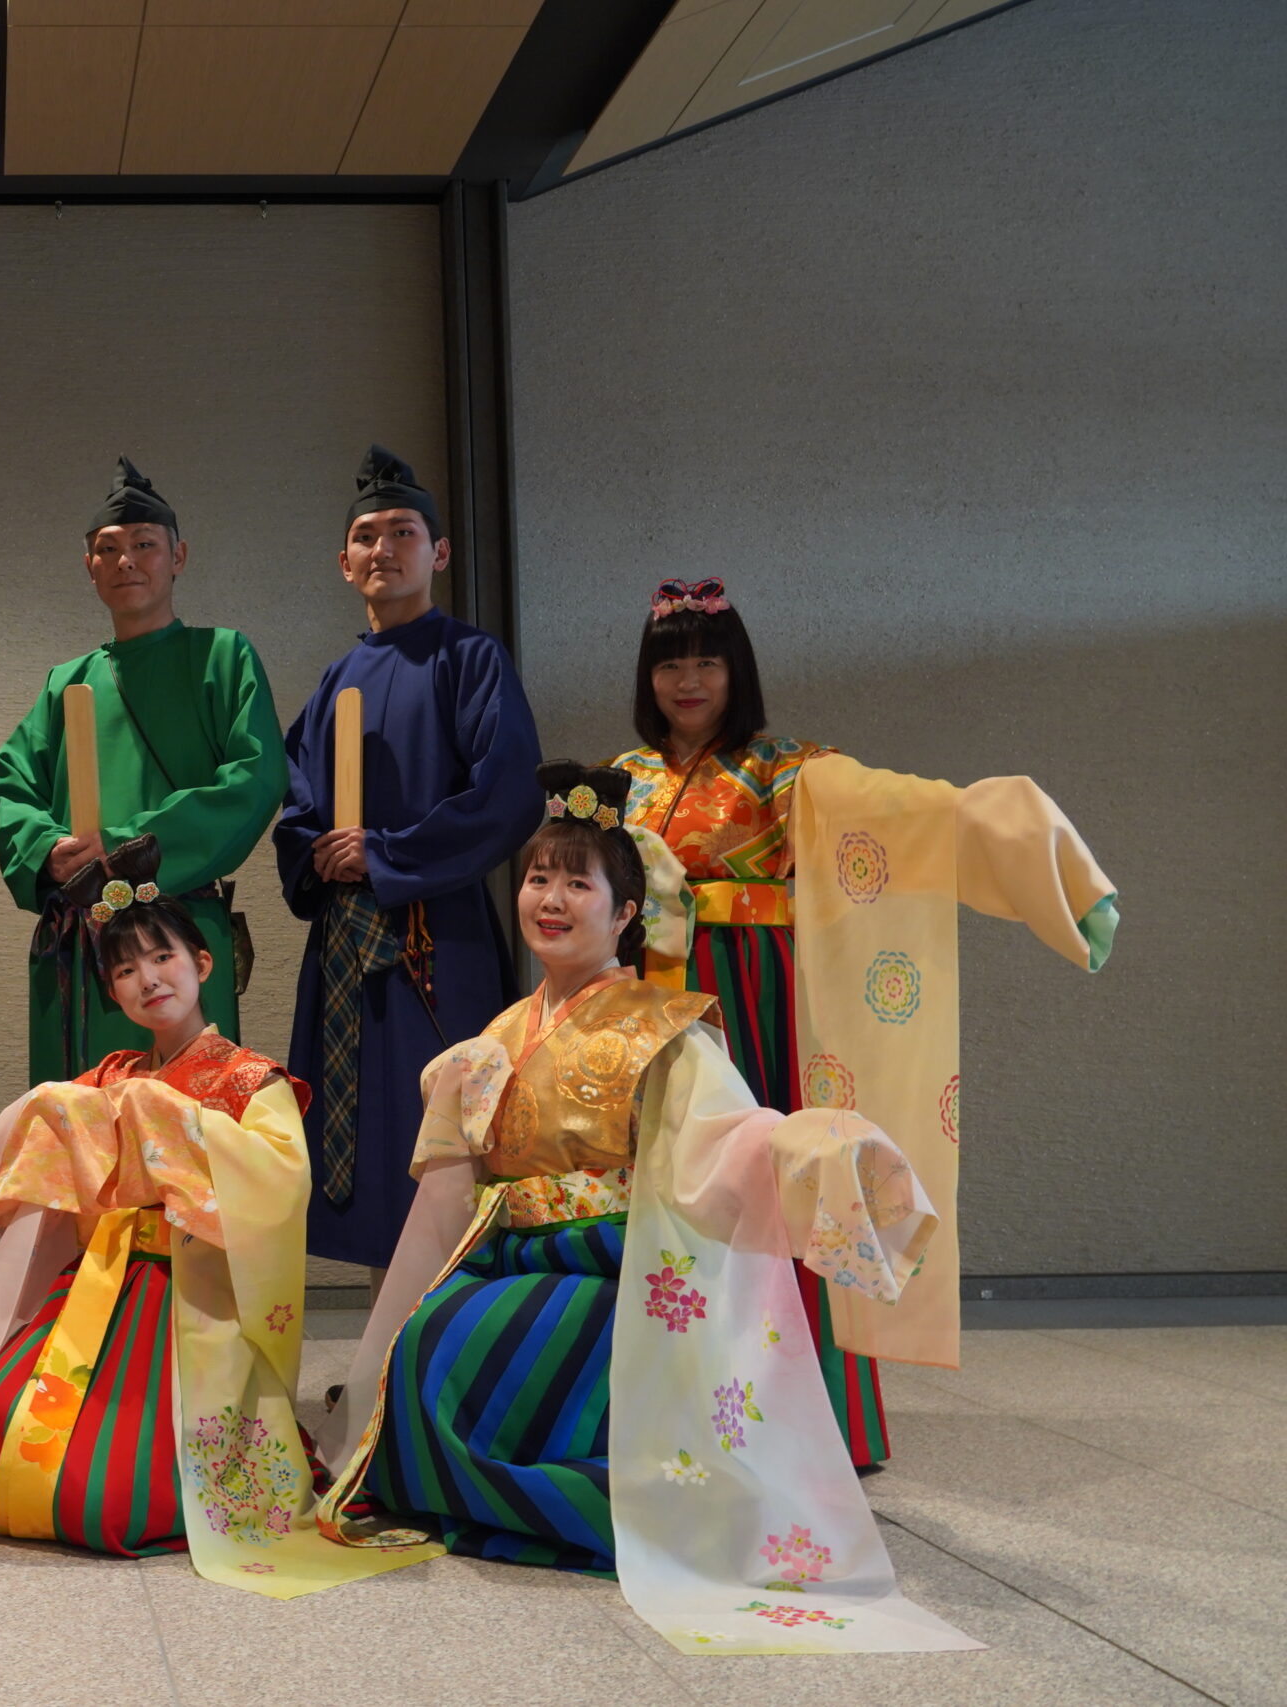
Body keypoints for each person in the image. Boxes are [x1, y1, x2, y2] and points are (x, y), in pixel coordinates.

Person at [312, 762, 987, 1654]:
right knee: (426, 1343)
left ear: (625, 912)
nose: (551, 899)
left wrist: (803, 1143)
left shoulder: (663, 1027)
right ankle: (486, 1493)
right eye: (538, 878)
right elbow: (444, 1201)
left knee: (483, 1342)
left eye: (577, 883)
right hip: (510, 1250)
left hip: (613, 1261)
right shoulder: (494, 1041)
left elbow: (728, 1137)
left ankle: (601, 1499)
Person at [0, 841, 428, 1597]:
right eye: (125, 969)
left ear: (203, 962)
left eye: (162, 957)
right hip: (103, 1282)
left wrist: (169, 1120)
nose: (148, 978)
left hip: (197, 1296)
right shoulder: (114, 1075)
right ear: (112, 991)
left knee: (109, 1487)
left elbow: (280, 1184)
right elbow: (26, 1150)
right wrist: (59, 1107)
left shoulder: (252, 1079)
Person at [606, 578, 884, 1464]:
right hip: (651, 993)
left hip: (750, 984)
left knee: (771, 1168)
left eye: (708, 662)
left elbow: (866, 808)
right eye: (670, 665)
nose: (688, 681)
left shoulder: (783, 764)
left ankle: (812, 1410)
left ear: (738, 671)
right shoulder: (624, 776)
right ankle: (682, 1397)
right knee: (668, 1182)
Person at [275, 445, 542, 1278]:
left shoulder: (471, 659)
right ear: (344, 561)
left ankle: (451, 1330)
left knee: (448, 1135)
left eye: (402, 532)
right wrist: (319, 855)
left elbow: (508, 793)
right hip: (347, 944)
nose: (382, 549)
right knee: (362, 1144)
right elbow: (295, 803)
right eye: (366, 535)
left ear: (440, 551)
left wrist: (387, 852)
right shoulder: (333, 681)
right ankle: (380, 1336)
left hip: (438, 935)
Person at [0, 457, 288, 1084]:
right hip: (84, 935)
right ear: (90, 567)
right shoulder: (65, 683)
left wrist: (128, 846)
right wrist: (48, 850)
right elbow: (13, 786)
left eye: (144, 544)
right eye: (108, 549)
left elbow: (256, 776)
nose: (126, 560)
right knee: (85, 1110)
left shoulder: (223, 656)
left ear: (178, 556)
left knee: (187, 1109)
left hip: (176, 928)